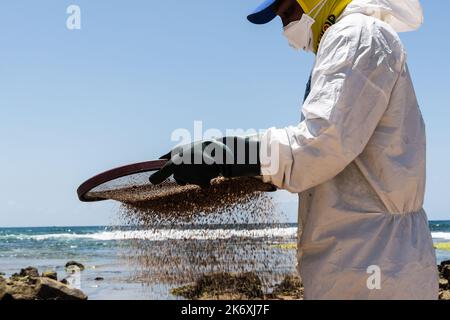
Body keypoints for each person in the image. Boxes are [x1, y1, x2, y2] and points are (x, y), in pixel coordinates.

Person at [150, 0, 439, 299]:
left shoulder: (358, 36)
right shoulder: (352, 38)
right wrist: (255, 172)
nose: (286, 27)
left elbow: (322, 143)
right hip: (364, 259)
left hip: (372, 266)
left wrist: (227, 155)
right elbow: (334, 158)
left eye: (288, 12)